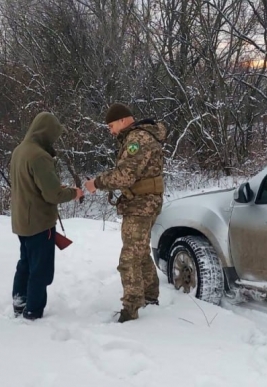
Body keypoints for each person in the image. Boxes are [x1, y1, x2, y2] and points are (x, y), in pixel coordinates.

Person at [85, 103, 166, 323]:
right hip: (144, 203)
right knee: (139, 251)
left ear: (123, 120)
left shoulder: (137, 139)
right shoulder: (140, 136)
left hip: (142, 205)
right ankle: (150, 297)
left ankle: (131, 311)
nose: (111, 131)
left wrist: (97, 183)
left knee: (129, 258)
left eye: (111, 125)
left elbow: (125, 176)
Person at [9, 112, 84, 320]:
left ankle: (19, 302)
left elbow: (31, 185)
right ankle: (33, 310)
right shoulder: (39, 156)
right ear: (46, 132)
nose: (55, 139)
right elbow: (53, 194)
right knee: (40, 270)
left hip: (21, 220)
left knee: (25, 263)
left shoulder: (19, 151)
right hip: (39, 223)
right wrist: (73, 193)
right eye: (54, 135)